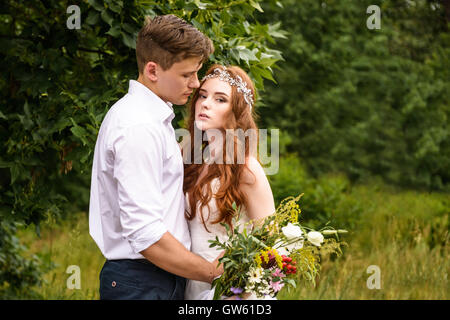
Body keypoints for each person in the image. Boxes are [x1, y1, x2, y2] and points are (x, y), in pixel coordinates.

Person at [89, 15, 223, 300]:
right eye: (187, 75)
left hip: (153, 280)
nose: (196, 84)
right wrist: (212, 273)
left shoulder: (151, 119)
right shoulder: (139, 125)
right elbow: (145, 233)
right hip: (142, 283)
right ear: (152, 70)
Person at [182, 65, 276, 300]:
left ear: (236, 112)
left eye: (220, 99)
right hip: (190, 286)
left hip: (232, 294)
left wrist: (241, 293)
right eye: (202, 95)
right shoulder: (192, 161)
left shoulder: (246, 168)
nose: (205, 103)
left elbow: (272, 244)